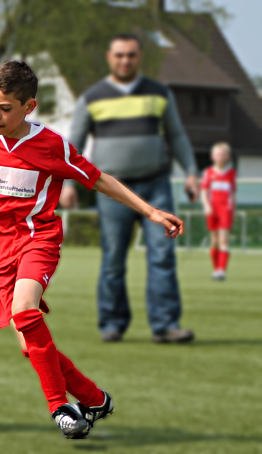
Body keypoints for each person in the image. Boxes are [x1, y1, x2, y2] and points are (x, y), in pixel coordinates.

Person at [0, 61, 184, 439]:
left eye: (6, 108)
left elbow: (99, 178)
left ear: (29, 107)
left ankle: (59, 407)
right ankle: (94, 398)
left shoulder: (50, 145)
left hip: (38, 239)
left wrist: (150, 211)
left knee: (25, 310)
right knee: (30, 346)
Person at [64, 33, 197, 343]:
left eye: (131, 55)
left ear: (140, 58)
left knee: (163, 254)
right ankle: (111, 323)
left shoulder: (159, 93)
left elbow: (177, 136)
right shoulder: (91, 98)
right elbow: (74, 147)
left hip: (156, 184)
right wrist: (69, 184)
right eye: (120, 55)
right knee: (113, 258)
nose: (125, 60)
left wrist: (191, 171)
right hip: (114, 192)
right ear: (110, 58)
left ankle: (165, 325)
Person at [201, 142, 236, 280]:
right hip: (212, 210)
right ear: (212, 156)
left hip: (225, 210)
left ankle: (222, 270)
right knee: (214, 240)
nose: (220, 157)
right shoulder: (208, 173)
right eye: (217, 154)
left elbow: (233, 195)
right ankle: (216, 269)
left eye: (223, 154)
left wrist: (233, 210)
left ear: (227, 156)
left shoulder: (231, 173)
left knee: (223, 239)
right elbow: (204, 192)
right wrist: (206, 206)